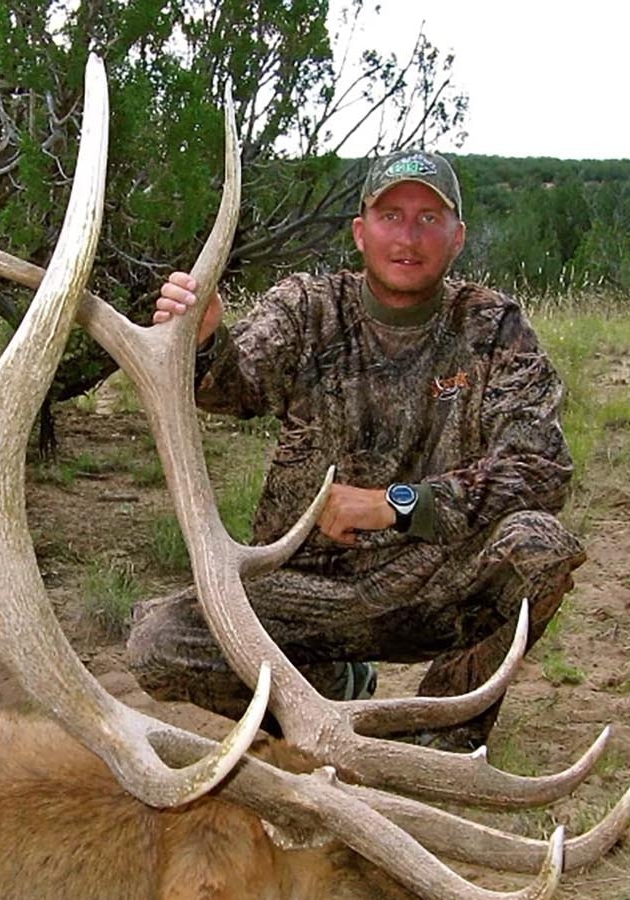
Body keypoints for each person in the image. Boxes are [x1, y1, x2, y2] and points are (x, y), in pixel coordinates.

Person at [126, 149, 586, 750]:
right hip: (303, 586)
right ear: (360, 232)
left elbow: (542, 468)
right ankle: (325, 695)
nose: (408, 236)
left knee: (539, 549)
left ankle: (437, 736)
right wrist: (205, 341)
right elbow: (235, 388)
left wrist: (396, 503)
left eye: (428, 219)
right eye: (391, 215)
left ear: (457, 238)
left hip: (429, 581)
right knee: (159, 643)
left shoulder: (494, 328)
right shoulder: (308, 308)